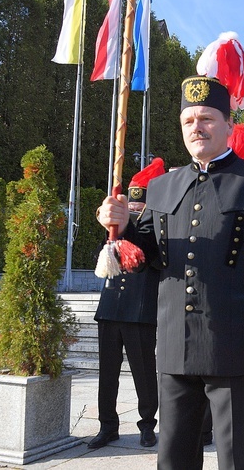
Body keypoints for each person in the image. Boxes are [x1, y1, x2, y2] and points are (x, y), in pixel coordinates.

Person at [96, 73, 244, 470]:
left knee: (237, 458)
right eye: (189, 120)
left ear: (228, 126)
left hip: (233, 347)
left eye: (207, 118)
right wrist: (123, 223)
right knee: (173, 458)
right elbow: (146, 253)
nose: (197, 128)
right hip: (174, 345)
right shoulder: (163, 187)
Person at [88, 159, 165, 450]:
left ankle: (147, 425)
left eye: (137, 209)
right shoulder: (115, 228)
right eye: (130, 208)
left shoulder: (154, 230)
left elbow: (154, 261)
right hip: (110, 309)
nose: (133, 212)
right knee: (107, 373)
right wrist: (113, 231)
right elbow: (101, 261)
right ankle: (107, 425)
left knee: (144, 373)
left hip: (140, 311)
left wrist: (131, 230)